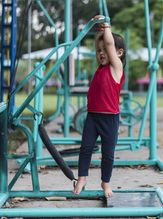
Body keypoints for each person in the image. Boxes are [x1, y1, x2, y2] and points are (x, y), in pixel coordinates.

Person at [72, 15, 126, 198]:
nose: (101, 53)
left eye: (106, 50)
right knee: (85, 148)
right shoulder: (100, 68)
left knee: (108, 154)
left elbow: (109, 45)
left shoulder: (116, 68)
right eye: (99, 51)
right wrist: (99, 31)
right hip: (93, 117)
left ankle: (106, 182)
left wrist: (107, 26)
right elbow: (101, 44)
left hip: (110, 118)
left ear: (119, 53)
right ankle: (82, 178)